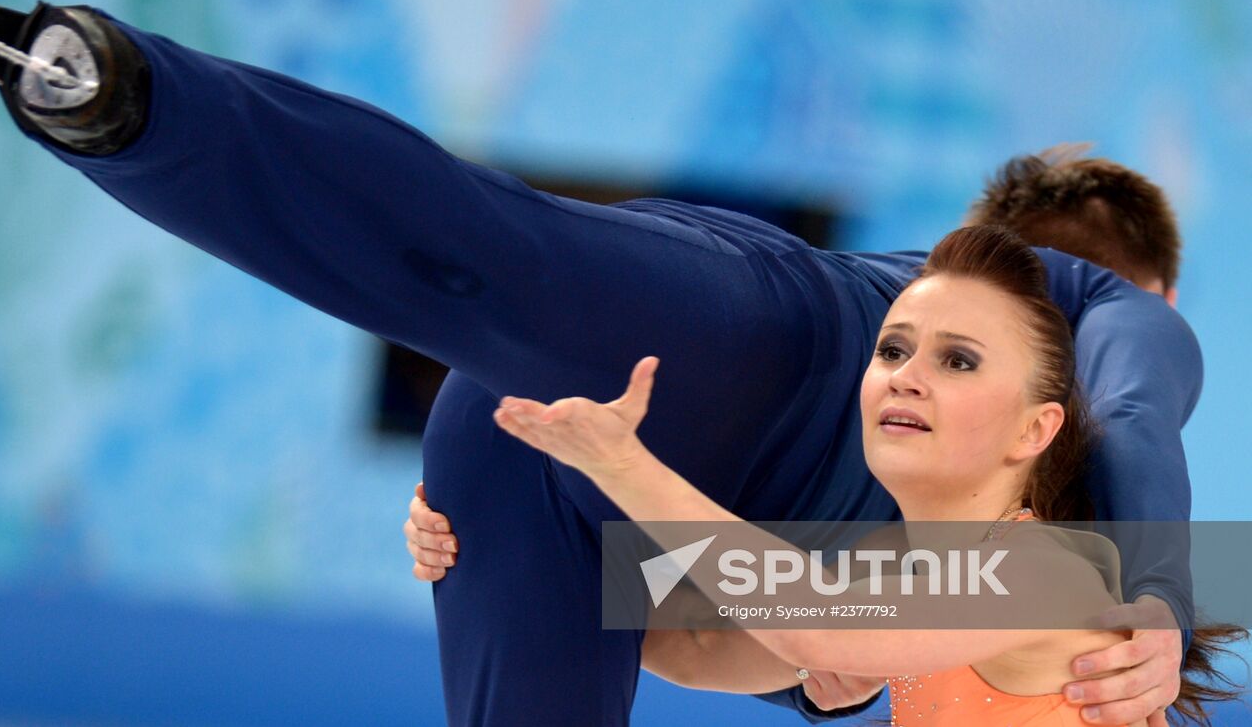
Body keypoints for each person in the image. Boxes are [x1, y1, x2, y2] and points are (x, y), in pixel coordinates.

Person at [0, 0, 1199, 726]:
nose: (914, 371)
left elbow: (800, 642)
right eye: (915, 338)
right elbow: (823, 632)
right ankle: (137, 103)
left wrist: (586, 546)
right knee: (496, 260)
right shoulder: (1034, 545)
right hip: (734, 349)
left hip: (572, 457)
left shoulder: (1065, 504)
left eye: (960, 349)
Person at [403, 146, 1190, 717]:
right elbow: (695, 646)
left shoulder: (1043, 566)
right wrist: (503, 536)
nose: (906, 375)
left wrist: (618, 464)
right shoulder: (902, 563)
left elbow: (816, 623)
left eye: (958, 360)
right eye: (892, 348)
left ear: (1037, 424)